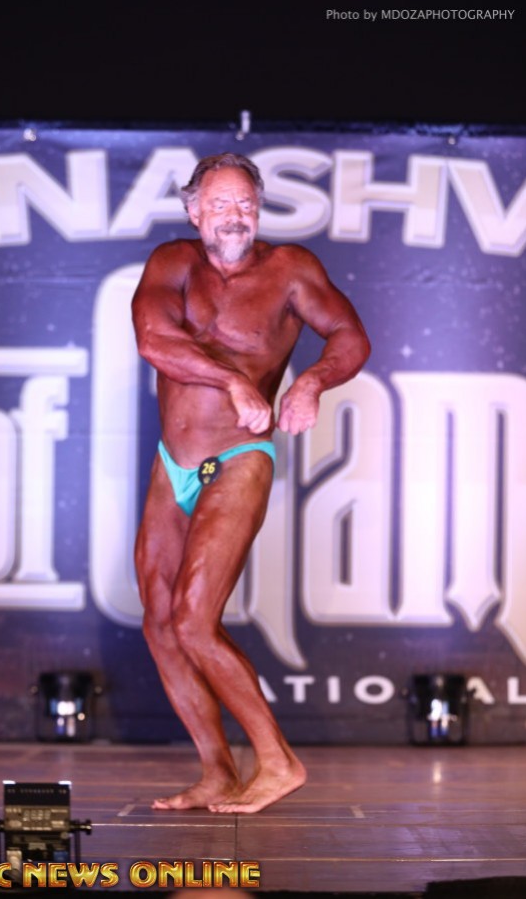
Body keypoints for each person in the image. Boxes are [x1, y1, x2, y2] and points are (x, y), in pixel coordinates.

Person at [132, 152, 371, 814]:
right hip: (173, 461)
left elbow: (350, 335)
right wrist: (232, 379)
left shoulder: (289, 270)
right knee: (160, 624)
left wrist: (312, 382)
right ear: (194, 211)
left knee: (194, 620)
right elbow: (153, 340)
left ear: (259, 210)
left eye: (245, 204)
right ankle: (217, 772)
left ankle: (278, 760)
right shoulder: (173, 263)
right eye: (219, 205)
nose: (234, 217)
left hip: (239, 456)